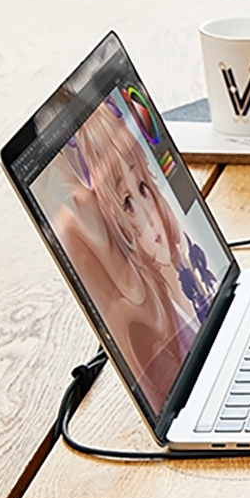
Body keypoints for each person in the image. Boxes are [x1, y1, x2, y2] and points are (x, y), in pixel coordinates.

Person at [52, 98, 203, 397]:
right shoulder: (154, 328)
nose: (149, 216)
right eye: (127, 203)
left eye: (143, 188)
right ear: (116, 224)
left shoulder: (190, 272)